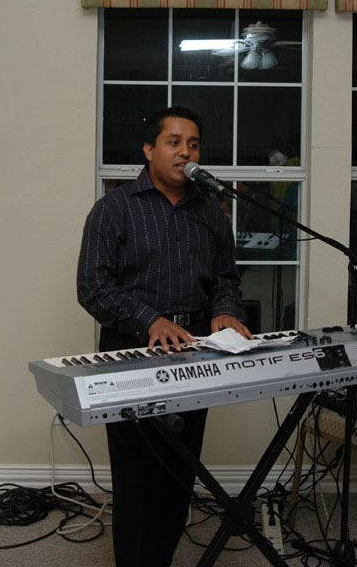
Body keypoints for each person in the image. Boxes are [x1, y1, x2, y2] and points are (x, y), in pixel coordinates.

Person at [77, 106, 250, 567]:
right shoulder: (114, 209)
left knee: (180, 469)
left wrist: (226, 312)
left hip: (195, 349)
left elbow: (226, 278)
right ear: (149, 149)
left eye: (193, 144)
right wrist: (151, 321)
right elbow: (92, 286)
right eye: (174, 142)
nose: (185, 152)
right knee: (137, 475)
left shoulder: (212, 211)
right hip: (131, 347)